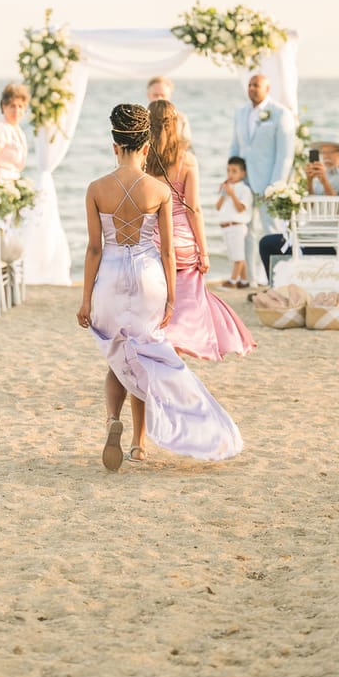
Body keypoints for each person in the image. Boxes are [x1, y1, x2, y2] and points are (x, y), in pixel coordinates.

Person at [76, 103, 243, 470]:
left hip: (111, 277)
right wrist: (171, 295)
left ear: (114, 144)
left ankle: (111, 420)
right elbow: (166, 250)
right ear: (146, 147)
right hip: (149, 277)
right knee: (147, 355)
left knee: (118, 355)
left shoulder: (95, 189)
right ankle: (145, 442)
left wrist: (86, 299)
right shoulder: (158, 190)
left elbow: (93, 249)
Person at [146, 100, 255, 360]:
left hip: (151, 241)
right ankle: (177, 345)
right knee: (185, 305)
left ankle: (163, 346)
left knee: (155, 303)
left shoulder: (142, 159)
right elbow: (193, 208)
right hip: (182, 242)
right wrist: (203, 252)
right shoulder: (187, 160)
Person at [258, 133, 339, 279]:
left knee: (273, 245)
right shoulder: (324, 172)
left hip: (334, 241)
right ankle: (278, 287)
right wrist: (310, 181)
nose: (325, 157)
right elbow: (313, 209)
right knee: (267, 243)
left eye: (330, 152)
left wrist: (324, 181)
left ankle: (289, 286)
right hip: (311, 235)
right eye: (323, 153)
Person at [229, 74, 296, 284]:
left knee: (272, 232)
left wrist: (275, 185)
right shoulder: (240, 113)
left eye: (256, 85)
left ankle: (277, 280)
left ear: (267, 88)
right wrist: (232, 178)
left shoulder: (281, 113)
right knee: (246, 232)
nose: (252, 88)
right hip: (245, 184)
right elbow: (236, 146)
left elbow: (285, 154)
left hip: (269, 184)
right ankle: (251, 280)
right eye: (249, 84)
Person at [215, 156, 253, 288]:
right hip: (226, 226)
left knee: (238, 255)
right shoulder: (227, 188)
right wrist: (224, 193)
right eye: (228, 171)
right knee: (234, 254)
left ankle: (232, 281)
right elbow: (218, 207)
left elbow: (241, 208)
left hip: (237, 226)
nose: (230, 174)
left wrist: (232, 194)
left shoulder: (244, 189)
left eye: (234, 171)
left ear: (243, 173)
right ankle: (244, 281)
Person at [0, 83, 29, 181]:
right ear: (4, 107)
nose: (16, 111)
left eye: (20, 106)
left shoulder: (19, 131)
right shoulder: (0, 129)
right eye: (12, 106)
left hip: (13, 183)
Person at [146, 75, 191, 143]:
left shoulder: (180, 119)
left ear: (169, 96)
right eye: (155, 95)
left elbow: (186, 145)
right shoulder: (140, 119)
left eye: (163, 95)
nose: (159, 98)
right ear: (148, 95)